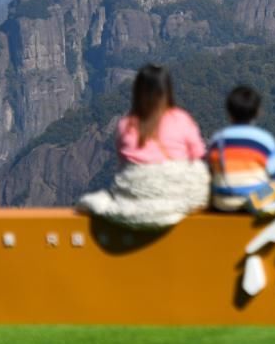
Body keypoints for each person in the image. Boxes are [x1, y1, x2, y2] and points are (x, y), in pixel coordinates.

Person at [77, 64, 210, 229]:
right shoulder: (181, 119)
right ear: (167, 91)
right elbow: (199, 155)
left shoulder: (126, 124)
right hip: (177, 202)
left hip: (136, 206)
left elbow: (123, 163)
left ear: (137, 92)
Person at [207, 85, 275, 214]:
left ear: (229, 112)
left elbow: (211, 171)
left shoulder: (217, 140)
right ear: (257, 111)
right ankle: (255, 201)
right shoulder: (263, 139)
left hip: (223, 204)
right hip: (254, 202)